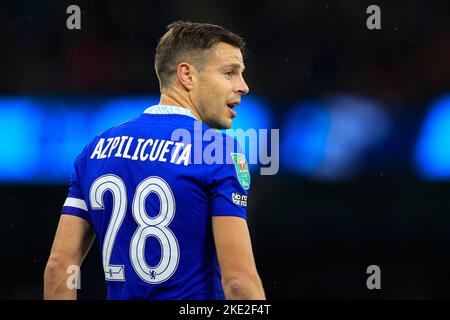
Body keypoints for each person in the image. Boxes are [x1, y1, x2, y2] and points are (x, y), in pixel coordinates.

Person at [44, 21, 265, 300]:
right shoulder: (217, 151)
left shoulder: (95, 150)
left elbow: (58, 268)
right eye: (229, 73)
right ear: (187, 76)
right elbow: (238, 283)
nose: (243, 86)